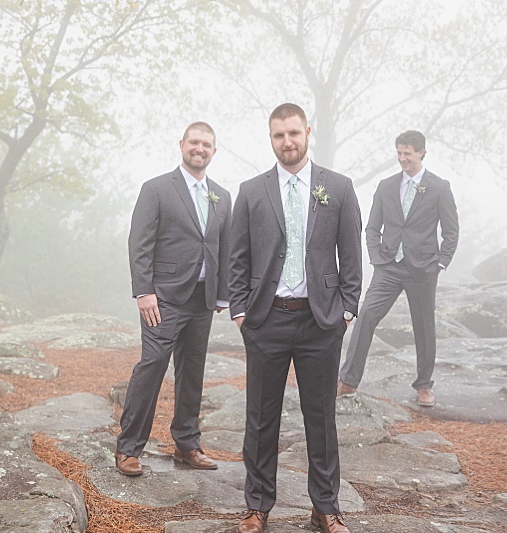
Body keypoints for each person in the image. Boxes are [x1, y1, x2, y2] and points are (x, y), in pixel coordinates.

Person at [230, 103, 362, 533]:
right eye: (278, 135)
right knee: (261, 419)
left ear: (307, 131)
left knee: (320, 419)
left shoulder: (338, 187)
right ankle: (257, 506)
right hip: (265, 321)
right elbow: (237, 257)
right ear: (271, 139)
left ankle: (325, 507)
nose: (287, 142)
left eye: (293, 133)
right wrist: (241, 312)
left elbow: (351, 254)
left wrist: (346, 310)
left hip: (320, 323)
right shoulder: (251, 191)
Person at [116, 122, 232, 477]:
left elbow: (224, 246)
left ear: (214, 150)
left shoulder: (222, 196)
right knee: (152, 366)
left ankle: (187, 444)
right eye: (194, 142)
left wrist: (223, 293)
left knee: (192, 371)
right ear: (182, 144)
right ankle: (128, 448)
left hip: (203, 298)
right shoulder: (156, 189)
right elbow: (139, 243)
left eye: (207, 144)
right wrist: (144, 291)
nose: (200, 149)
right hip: (163, 298)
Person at [337, 130, 459, 407]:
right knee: (366, 316)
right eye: (400, 153)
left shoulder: (439, 187)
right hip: (388, 267)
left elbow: (451, 230)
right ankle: (348, 381)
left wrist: (440, 262)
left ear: (421, 153)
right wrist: (377, 256)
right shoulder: (386, 186)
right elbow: (372, 227)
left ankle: (424, 386)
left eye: (408, 153)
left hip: (423, 269)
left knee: (424, 328)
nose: (403, 158)